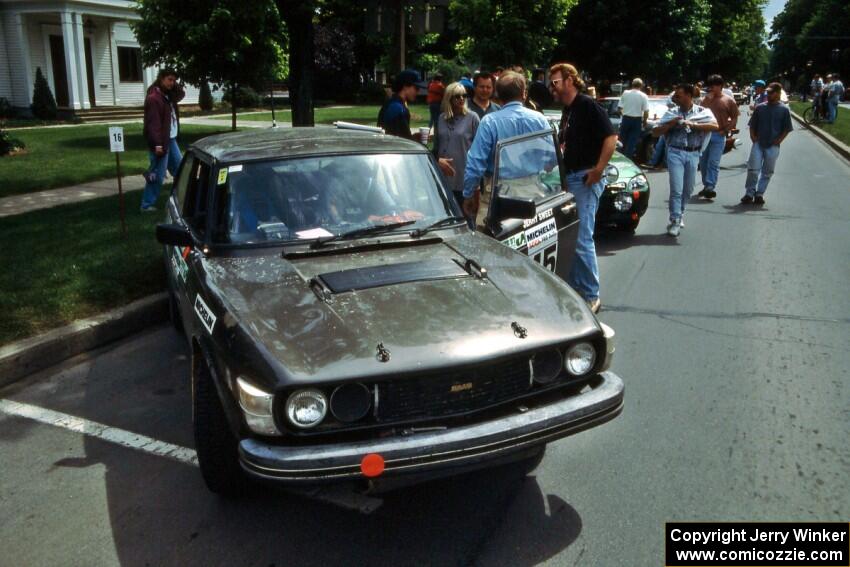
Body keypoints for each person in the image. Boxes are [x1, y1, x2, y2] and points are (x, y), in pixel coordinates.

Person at [548, 63, 617, 313]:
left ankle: (590, 294)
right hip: (572, 178)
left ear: (569, 80)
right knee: (573, 235)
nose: (551, 87)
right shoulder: (569, 110)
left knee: (582, 237)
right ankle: (578, 288)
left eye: (555, 82)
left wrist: (598, 169)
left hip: (585, 179)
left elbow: (610, 138)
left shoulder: (587, 105)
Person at [462, 71, 549, 229]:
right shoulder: (540, 120)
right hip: (532, 193)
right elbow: (551, 159)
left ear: (498, 95)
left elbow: (475, 163)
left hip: (497, 196)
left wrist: (468, 194)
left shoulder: (489, 122)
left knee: (489, 247)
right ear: (524, 94)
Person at [652, 83, 718, 237]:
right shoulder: (671, 113)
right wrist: (671, 124)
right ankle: (674, 220)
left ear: (689, 96)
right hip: (675, 152)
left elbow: (714, 126)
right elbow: (655, 132)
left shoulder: (702, 112)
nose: (676, 98)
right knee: (677, 188)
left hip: (694, 153)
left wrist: (693, 124)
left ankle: (680, 213)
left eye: (679, 96)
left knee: (688, 189)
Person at [141, 68, 185, 212]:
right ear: (161, 78)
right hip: (161, 142)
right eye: (169, 80)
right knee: (157, 175)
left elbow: (181, 94)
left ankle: (179, 199)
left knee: (180, 169)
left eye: (174, 80)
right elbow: (153, 124)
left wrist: (173, 83)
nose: (172, 83)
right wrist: (157, 144)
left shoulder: (168, 96)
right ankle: (146, 205)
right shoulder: (154, 98)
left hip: (170, 140)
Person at [742, 82, 793, 205]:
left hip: (773, 145)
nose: (769, 94)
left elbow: (787, 128)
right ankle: (749, 193)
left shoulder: (784, 110)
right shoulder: (760, 107)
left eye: (772, 92)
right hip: (759, 143)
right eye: (768, 92)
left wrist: (780, 140)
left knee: (767, 171)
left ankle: (759, 194)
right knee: (753, 169)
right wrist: (753, 137)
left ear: (778, 93)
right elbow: (752, 124)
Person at [432, 82, 480, 213]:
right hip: (443, 177)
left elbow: (479, 150)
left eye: (464, 95)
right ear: (449, 98)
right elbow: (436, 147)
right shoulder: (441, 118)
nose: (462, 99)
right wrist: (437, 160)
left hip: (463, 179)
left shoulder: (472, 118)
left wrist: (476, 183)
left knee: (466, 217)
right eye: (457, 96)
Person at [698, 74, 739, 199]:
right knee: (703, 163)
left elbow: (734, 118)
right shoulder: (705, 99)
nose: (712, 88)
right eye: (710, 85)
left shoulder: (728, 100)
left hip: (719, 134)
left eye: (714, 85)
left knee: (713, 162)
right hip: (705, 134)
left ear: (721, 86)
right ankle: (706, 185)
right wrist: (707, 100)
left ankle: (710, 186)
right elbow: (699, 113)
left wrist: (726, 130)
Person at [378, 69, 420, 140]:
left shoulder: (391, 103)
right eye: (416, 88)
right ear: (405, 86)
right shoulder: (398, 108)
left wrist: (414, 137)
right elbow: (403, 141)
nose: (418, 92)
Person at [617, 78, 650, 160]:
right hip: (637, 120)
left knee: (621, 140)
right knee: (632, 142)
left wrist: (624, 114)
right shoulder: (643, 96)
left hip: (626, 118)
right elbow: (646, 111)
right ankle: (627, 159)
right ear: (641, 86)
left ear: (632, 84)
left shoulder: (625, 93)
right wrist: (644, 121)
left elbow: (619, 108)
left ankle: (619, 157)